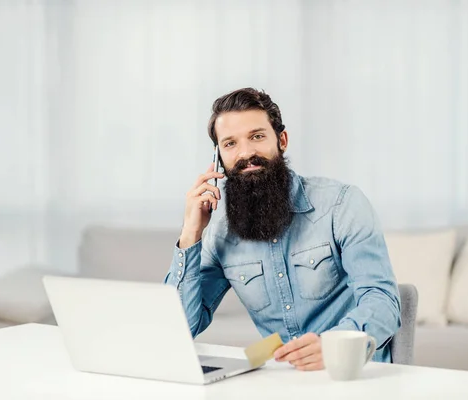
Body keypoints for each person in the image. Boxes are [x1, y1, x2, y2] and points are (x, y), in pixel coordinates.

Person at [165, 88, 401, 371]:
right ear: (218, 159)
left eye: (257, 136)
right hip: (282, 381)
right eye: (230, 144)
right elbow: (177, 329)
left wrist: (336, 345)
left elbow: (383, 300)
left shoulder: (342, 204)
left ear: (282, 140)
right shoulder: (220, 233)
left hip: (352, 376)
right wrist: (190, 233)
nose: (246, 153)